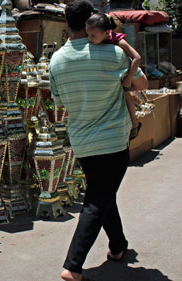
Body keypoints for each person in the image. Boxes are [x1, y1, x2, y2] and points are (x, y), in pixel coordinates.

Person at [48, 1, 149, 281]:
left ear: (69, 24)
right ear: (92, 22)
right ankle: (73, 266)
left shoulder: (56, 61)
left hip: (82, 140)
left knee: (102, 191)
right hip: (113, 140)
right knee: (97, 198)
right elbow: (142, 86)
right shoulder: (114, 54)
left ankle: (117, 247)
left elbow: (59, 102)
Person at [85, 12, 148, 139]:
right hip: (126, 77)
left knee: (124, 93)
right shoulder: (100, 39)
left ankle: (135, 124)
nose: (89, 38)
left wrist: (128, 78)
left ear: (106, 33)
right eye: (87, 34)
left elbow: (137, 58)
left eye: (92, 35)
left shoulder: (118, 40)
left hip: (138, 79)